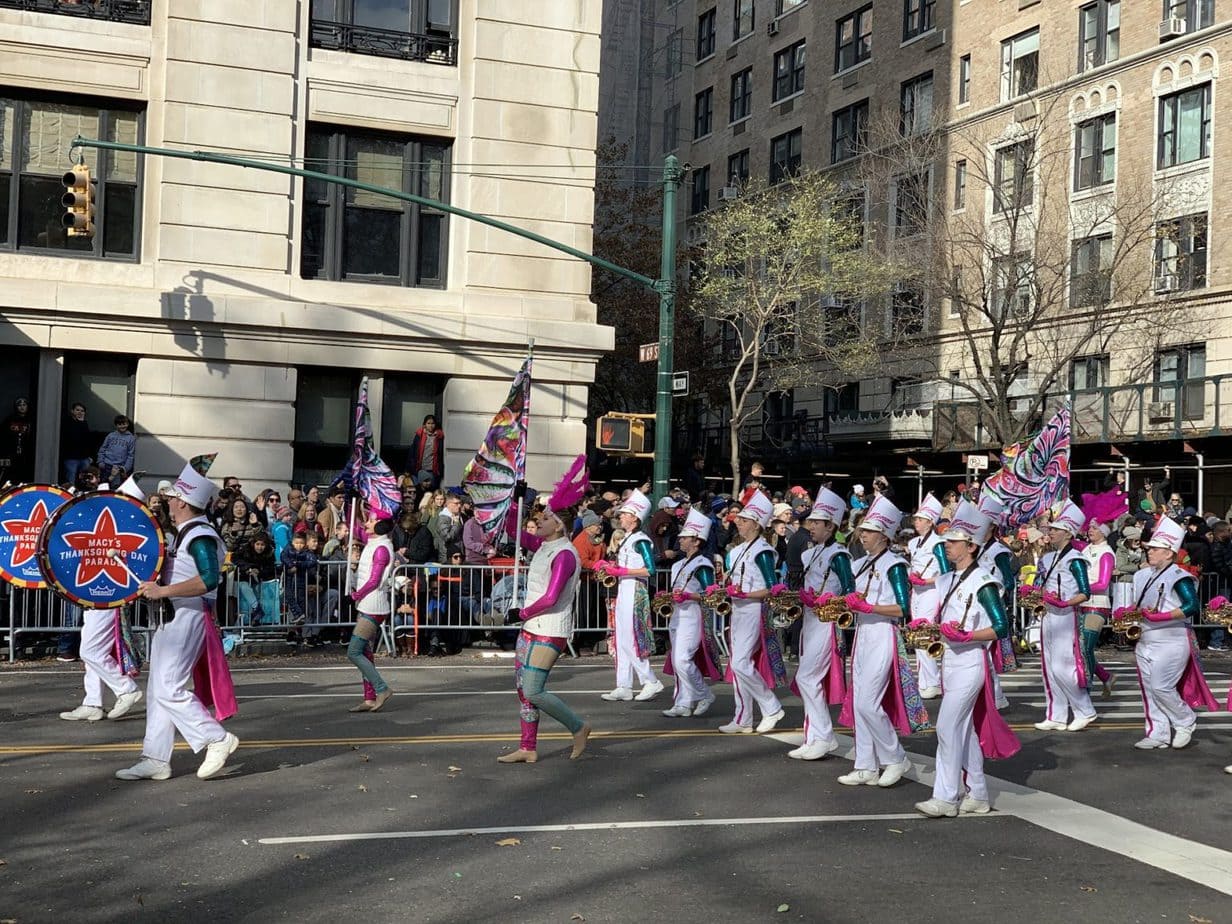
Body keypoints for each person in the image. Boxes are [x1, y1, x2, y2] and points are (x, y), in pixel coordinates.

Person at [117, 455, 239, 782]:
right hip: (172, 617)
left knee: (170, 688)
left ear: (183, 503)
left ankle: (216, 738)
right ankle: (156, 758)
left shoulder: (199, 535)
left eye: (172, 498)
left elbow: (209, 579)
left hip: (187, 615)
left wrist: (162, 592)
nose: (168, 502)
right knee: (159, 689)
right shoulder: (185, 532)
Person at [914, 503, 1020, 818]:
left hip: (971, 663)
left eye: (952, 541)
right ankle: (978, 793)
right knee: (965, 731)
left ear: (970, 547)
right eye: (946, 540)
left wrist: (968, 636)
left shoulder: (984, 582)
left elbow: (1002, 627)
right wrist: (928, 628)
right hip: (950, 662)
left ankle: (946, 797)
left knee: (946, 727)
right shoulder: (946, 580)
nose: (945, 545)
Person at [497, 457, 591, 763]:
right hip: (531, 628)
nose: (539, 521)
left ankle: (578, 727)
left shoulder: (564, 555)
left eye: (546, 517)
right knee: (523, 691)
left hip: (550, 629)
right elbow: (513, 529)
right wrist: (516, 501)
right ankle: (528, 747)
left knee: (535, 690)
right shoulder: (543, 546)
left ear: (559, 524)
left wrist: (521, 614)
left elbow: (551, 598)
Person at [836, 494, 925, 787]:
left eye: (869, 531)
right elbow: (853, 598)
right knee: (859, 700)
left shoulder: (895, 565)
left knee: (868, 703)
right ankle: (865, 765)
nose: (862, 535)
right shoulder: (860, 563)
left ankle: (896, 757)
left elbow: (903, 608)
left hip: (883, 633)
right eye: (862, 530)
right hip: (862, 633)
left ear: (884, 535)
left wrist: (869, 607)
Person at [1112, 517, 1220, 750]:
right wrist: (1127, 612)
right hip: (1146, 638)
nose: (1149, 551)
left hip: (1172, 639)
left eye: (1155, 549)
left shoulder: (1179, 577)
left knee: (1162, 686)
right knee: (1149, 688)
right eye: (1150, 548)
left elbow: (1193, 606)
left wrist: (1161, 616)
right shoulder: (1142, 575)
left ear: (1169, 553)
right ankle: (1157, 732)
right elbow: (1139, 605)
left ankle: (1185, 720)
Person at [59, 474, 147, 723]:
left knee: (90, 651)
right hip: (91, 593)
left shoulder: (131, 531)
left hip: (110, 594)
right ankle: (93, 702)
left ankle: (126, 689)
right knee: (90, 646)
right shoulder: (104, 528)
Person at [788, 487, 854, 759]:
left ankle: (825, 735)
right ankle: (815, 736)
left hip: (827, 623)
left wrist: (828, 600)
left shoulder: (838, 555)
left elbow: (849, 590)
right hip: (810, 621)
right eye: (810, 521)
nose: (810, 526)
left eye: (816, 522)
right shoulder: (811, 553)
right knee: (806, 679)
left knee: (807, 677)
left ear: (831, 526)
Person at [717, 489, 787, 734]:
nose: (739, 523)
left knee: (740, 663)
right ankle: (743, 717)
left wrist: (745, 594)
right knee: (737, 664)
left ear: (756, 525)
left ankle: (771, 706)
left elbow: (771, 588)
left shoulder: (764, 551)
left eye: (744, 520)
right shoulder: (737, 550)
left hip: (754, 610)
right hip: (737, 609)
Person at [1025, 501, 1098, 732]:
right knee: (1047, 667)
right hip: (1047, 614)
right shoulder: (1047, 558)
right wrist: (1032, 594)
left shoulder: (1075, 558)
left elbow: (1085, 592)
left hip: (1066, 616)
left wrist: (1065, 601)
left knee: (1062, 667)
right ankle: (1056, 714)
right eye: (1050, 528)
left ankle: (1085, 709)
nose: (1050, 532)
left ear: (1067, 532)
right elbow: (1039, 584)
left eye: (1055, 529)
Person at [596, 489, 663, 701]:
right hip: (624, 588)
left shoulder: (641, 540)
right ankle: (623, 685)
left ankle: (650, 680)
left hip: (635, 588)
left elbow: (650, 569)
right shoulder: (627, 538)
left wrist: (622, 571)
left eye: (624, 514)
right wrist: (608, 566)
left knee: (631, 638)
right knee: (621, 638)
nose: (620, 517)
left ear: (634, 517)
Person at [661, 508, 722, 717]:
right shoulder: (677, 564)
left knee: (682, 659)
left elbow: (710, 594)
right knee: (678, 661)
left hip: (693, 615)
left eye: (685, 537)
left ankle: (704, 694)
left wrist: (689, 597)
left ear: (696, 541)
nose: (680, 540)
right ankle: (684, 703)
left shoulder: (703, 564)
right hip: (677, 614)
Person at [345, 509, 397, 712]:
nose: (366, 523)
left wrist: (356, 595)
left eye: (371, 520)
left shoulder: (382, 548)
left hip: (373, 605)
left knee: (354, 651)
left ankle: (382, 688)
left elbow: (375, 580)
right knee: (365, 652)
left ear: (380, 525)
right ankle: (369, 698)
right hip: (367, 604)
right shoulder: (374, 543)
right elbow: (357, 524)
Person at [974, 492, 1018, 709]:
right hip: (977, 606)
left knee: (986, 654)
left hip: (992, 606)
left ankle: (996, 696)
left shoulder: (998, 550)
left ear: (991, 527)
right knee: (982, 654)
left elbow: (1008, 580)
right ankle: (995, 695)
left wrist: (996, 594)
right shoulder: (977, 549)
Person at [905, 493, 951, 699]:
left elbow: (945, 571)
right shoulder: (913, 543)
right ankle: (924, 681)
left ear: (930, 522)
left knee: (925, 633)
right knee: (916, 636)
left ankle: (932, 682)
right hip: (916, 592)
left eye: (920, 519)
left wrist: (927, 581)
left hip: (931, 591)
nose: (916, 522)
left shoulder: (938, 543)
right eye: (916, 519)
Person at [1079, 521, 1118, 699]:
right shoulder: (1085, 549)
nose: (1090, 531)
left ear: (1104, 532)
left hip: (1097, 605)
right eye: (1090, 528)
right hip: (1080, 604)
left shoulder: (1106, 553)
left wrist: (1079, 588)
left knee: (1085, 648)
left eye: (1095, 528)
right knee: (1080, 649)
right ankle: (1106, 677)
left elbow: (1102, 584)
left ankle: (1085, 689)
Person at [61, 401, 95, 485]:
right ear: (72, 411)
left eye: (82, 411)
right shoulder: (66, 422)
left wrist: (90, 456)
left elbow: (87, 440)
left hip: (84, 458)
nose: (80, 412)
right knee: (71, 479)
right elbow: (73, 437)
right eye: (77, 410)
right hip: (71, 457)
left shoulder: (84, 423)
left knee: (86, 480)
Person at [95, 415, 136, 485]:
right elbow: (102, 449)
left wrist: (125, 468)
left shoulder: (131, 438)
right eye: (119, 424)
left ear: (128, 424)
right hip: (106, 465)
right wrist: (100, 461)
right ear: (116, 425)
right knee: (104, 485)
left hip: (119, 468)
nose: (122, 426)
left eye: (124, 424)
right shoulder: (111, 435)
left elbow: (130, 455)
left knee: (115, 487)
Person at [407, 414, 445, 489]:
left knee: (431, 491)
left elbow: (440, 454)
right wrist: (409, 468)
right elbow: (412, 451)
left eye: (432, 423)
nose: (431, 426)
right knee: (418, 490)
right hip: (420, 469)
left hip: (432, 470)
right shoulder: (419, 435)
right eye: (428, 423)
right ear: (424, 425)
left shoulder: (438, 436)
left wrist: (440, 471)